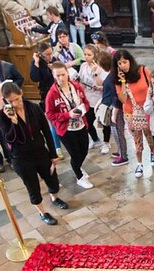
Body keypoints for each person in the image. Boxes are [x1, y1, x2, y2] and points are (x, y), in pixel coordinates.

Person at [0, 82, 69, 226]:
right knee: (33, 187)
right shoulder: (3, 115)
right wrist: (14, 122)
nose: (15, 103)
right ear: (5, 100)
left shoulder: (34, 108)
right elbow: (8, 139)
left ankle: (54, 198)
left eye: (17, 99)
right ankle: (43, 212)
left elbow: (46, 131)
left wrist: (53, 153)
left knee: (53, 181)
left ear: (21, 94)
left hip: (40, 152)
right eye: (10, 101)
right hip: (21, 158)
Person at [45, 61, 93, 189]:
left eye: (63, 74)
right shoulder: (52, 94)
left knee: (84, 150)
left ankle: (78, 167)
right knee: (75, 154)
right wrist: (68, 115)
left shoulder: (76, 87)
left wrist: (83, 110)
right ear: (54, 76)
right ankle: (79, 176)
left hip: (81, 124)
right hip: (66, 129)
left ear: (67, 73)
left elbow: (86, 103)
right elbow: (49, 114)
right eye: (58, 75)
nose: (61, 78)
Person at [112, 49, 154, 178]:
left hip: (147, 110)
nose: (123, 66)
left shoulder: (143, 71)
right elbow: (122, 99)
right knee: (136, 139)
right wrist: (123, 82)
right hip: (130, 113)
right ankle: (139, 163)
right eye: (119, 64)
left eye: (125, 62)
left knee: (150, 135)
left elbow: (152, 87)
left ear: (130, 61)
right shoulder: (119, 80)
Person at [30, 41, 64, 160]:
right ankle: (57, 147)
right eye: (47, 54)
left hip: (59, 92)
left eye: (50, 53)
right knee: (52, 122)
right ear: (39, 54)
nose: (50, 56)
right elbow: (35, 77)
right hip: (47, 95)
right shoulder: (37, 63)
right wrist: (36, 63)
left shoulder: (52, 60)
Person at [78, 44, 104, 150]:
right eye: (85, 54)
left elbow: (102, 84)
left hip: (98, 98)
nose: (86, 57)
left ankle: (106, 141)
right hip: (87, 97)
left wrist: (95, 73)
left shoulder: (100, 67)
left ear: (95, 55)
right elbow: (81, 80)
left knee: (102, 121)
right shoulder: (83, 66)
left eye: (89, 54)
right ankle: (95, 139)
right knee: (87, 121)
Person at [94, 49, 113, 154]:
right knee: (106, 125)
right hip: (106, 101)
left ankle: (121, 152)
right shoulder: (108, 74)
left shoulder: (111, 74)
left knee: (109, 125)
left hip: (110, 104)